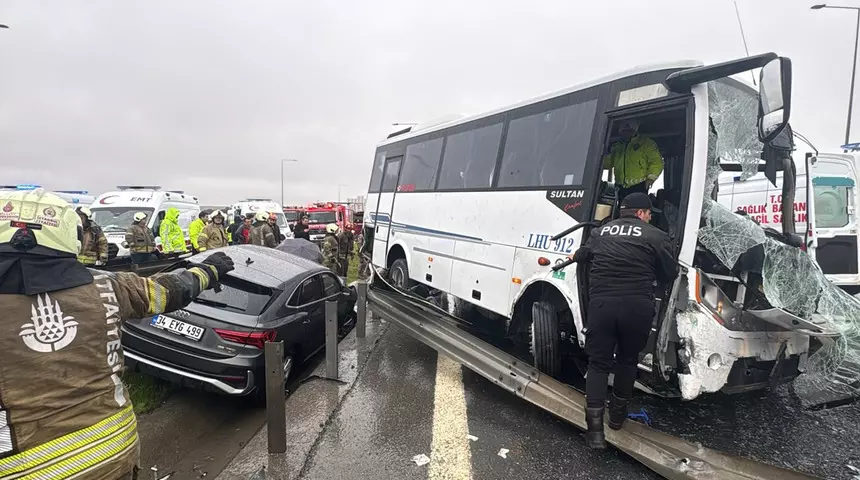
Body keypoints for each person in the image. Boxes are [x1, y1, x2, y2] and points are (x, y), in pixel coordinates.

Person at [0, 188, 235, 480]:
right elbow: (169, 290)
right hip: (113, 452)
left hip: (22, 468)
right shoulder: (107, 286)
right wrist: (209, 271)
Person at [565, 192, 678, 449]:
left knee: (598, 364)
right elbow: (669, 273)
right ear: (640, 213)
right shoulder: (656, 236)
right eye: (649, 214)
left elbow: (584, 254)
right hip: (636, 309)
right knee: (627, 361)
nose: (650, 218)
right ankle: (616, 418)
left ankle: (595, 432)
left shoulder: (600, 233)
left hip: (602, 307)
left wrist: (576, 255)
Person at [603, 119, 664, 201]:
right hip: (620, 187)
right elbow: (608, 164)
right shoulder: (616, 147)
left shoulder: (646, 143)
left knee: (637, 208)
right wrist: (605, 155)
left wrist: (650, 179)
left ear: (635, 130)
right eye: (624, 130)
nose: (626, 132)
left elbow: (656, 162)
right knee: (621, 207)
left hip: (638, 186)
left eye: (629, 130)